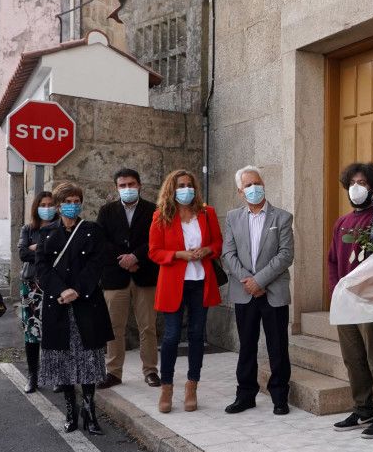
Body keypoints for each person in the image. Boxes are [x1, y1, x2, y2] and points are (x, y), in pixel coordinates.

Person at [35, 183, 114, 435]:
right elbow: (42, 269)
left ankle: (89, 411)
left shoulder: (92, 230)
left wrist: (77, 290)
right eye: (68, 200)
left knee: (89, 359)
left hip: (86, 303)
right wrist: (61, 291)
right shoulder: (47, 234)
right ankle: (70, 410)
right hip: (57, 306)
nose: (73, 204)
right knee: (63, 361)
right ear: (58, 206)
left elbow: (97, 263)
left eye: (76, 200)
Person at [328, 162, 373, 438]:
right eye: (353, 183)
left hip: (371, 300)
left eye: (364, 183)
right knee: (353, 357)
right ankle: (362, 406)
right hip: (346, 301)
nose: (357, 188)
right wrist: (337, 290)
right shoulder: (342, 222)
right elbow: (332, 260)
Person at [149, 170, 223, 414]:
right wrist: (178, 255)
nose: (185, 189)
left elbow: (218, 243)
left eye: (189, 185)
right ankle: (167, 387)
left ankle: (192, 386)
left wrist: (206, 251)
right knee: (170, 336)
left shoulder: (206, 213)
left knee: (196, 335)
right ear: (172, 189)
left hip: (200, 281)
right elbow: (154, 252)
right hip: (173, 283)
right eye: (181, 185)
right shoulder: (161, 216)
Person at [224, 164, 294, 416]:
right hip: (244, 291)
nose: (254, 188)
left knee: (278, 345)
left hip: (272, 291)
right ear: (240, 192)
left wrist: (260, 281)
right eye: (248, 185)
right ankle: (245, 395)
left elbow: (286, 255)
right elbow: (228, 254)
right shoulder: (233, 217)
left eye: (257, 183)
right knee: (247, 346)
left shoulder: (282, 217)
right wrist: (248, 281)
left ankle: (279, 396)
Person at [95, 168, 160, 389]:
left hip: (145, 274)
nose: (127, 189)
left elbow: (156, 241)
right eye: (122, 186)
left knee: (148, 326)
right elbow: (101, 242)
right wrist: (122, 260)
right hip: (115, 276)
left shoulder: (153, 210)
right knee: (114, 327)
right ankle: (113, 372)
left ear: (139, 185)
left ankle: (150, 370)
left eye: (131, 184)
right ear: (116, 188)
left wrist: (136, 258)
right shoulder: (106, 211)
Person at [16, 190, 57, 393]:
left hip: (54, 285)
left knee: (54, 331)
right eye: (43, 204)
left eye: (51, 204)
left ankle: (56, 374)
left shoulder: (60, 227)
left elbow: (57, 255)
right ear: (36, 207)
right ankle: (33, 375)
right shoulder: (28, 228)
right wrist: (43, 250)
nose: (47, 208)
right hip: (31, 285)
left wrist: (37, 249)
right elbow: (23, 253)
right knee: (32, 332)